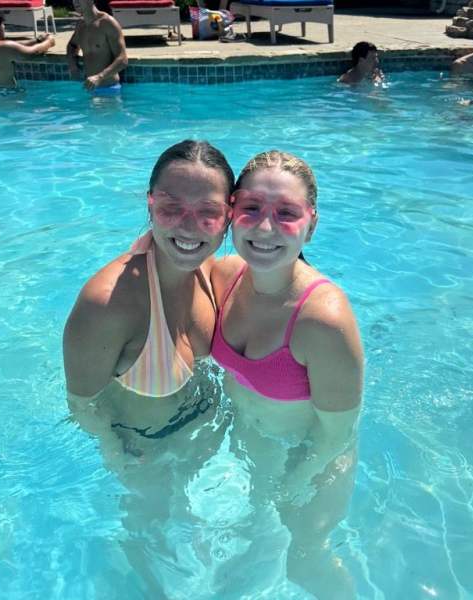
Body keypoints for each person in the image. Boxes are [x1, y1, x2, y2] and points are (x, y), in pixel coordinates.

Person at [63, 140, 234, 595]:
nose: (189, 227)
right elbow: (82, 404)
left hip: (200, 440)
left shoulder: (211, 272)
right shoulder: (109, 303)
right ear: (150, 203)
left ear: (228, 218)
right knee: (155, 577)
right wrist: (128, 468)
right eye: (171, 207)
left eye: (207, 213)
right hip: (145, 458)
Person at [210, 151, 364, 599]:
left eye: (287, 214)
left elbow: (337, 432)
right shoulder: (227, 276)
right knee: (255, 535)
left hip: (313, 457)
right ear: (230, 212)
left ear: (311, 223)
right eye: (251, 208)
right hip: (255, 439)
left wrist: (296, 481)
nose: (264, 228)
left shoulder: (323, 319)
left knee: (305, 559)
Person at [0, 6, 55, 90]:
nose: (4, 27)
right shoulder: (6, 48)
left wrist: (37, 40)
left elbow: (12, 46)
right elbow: (32, 53)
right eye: (3, 24)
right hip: (5, 96)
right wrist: (48, 42)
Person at [66, 0, 128, 96]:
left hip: (109, 90)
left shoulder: (107, 23)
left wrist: (99, 77)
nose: (76, 2)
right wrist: (72, 64)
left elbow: (123, 60)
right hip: (89, 89)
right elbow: (72, 45)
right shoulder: (81, 25)